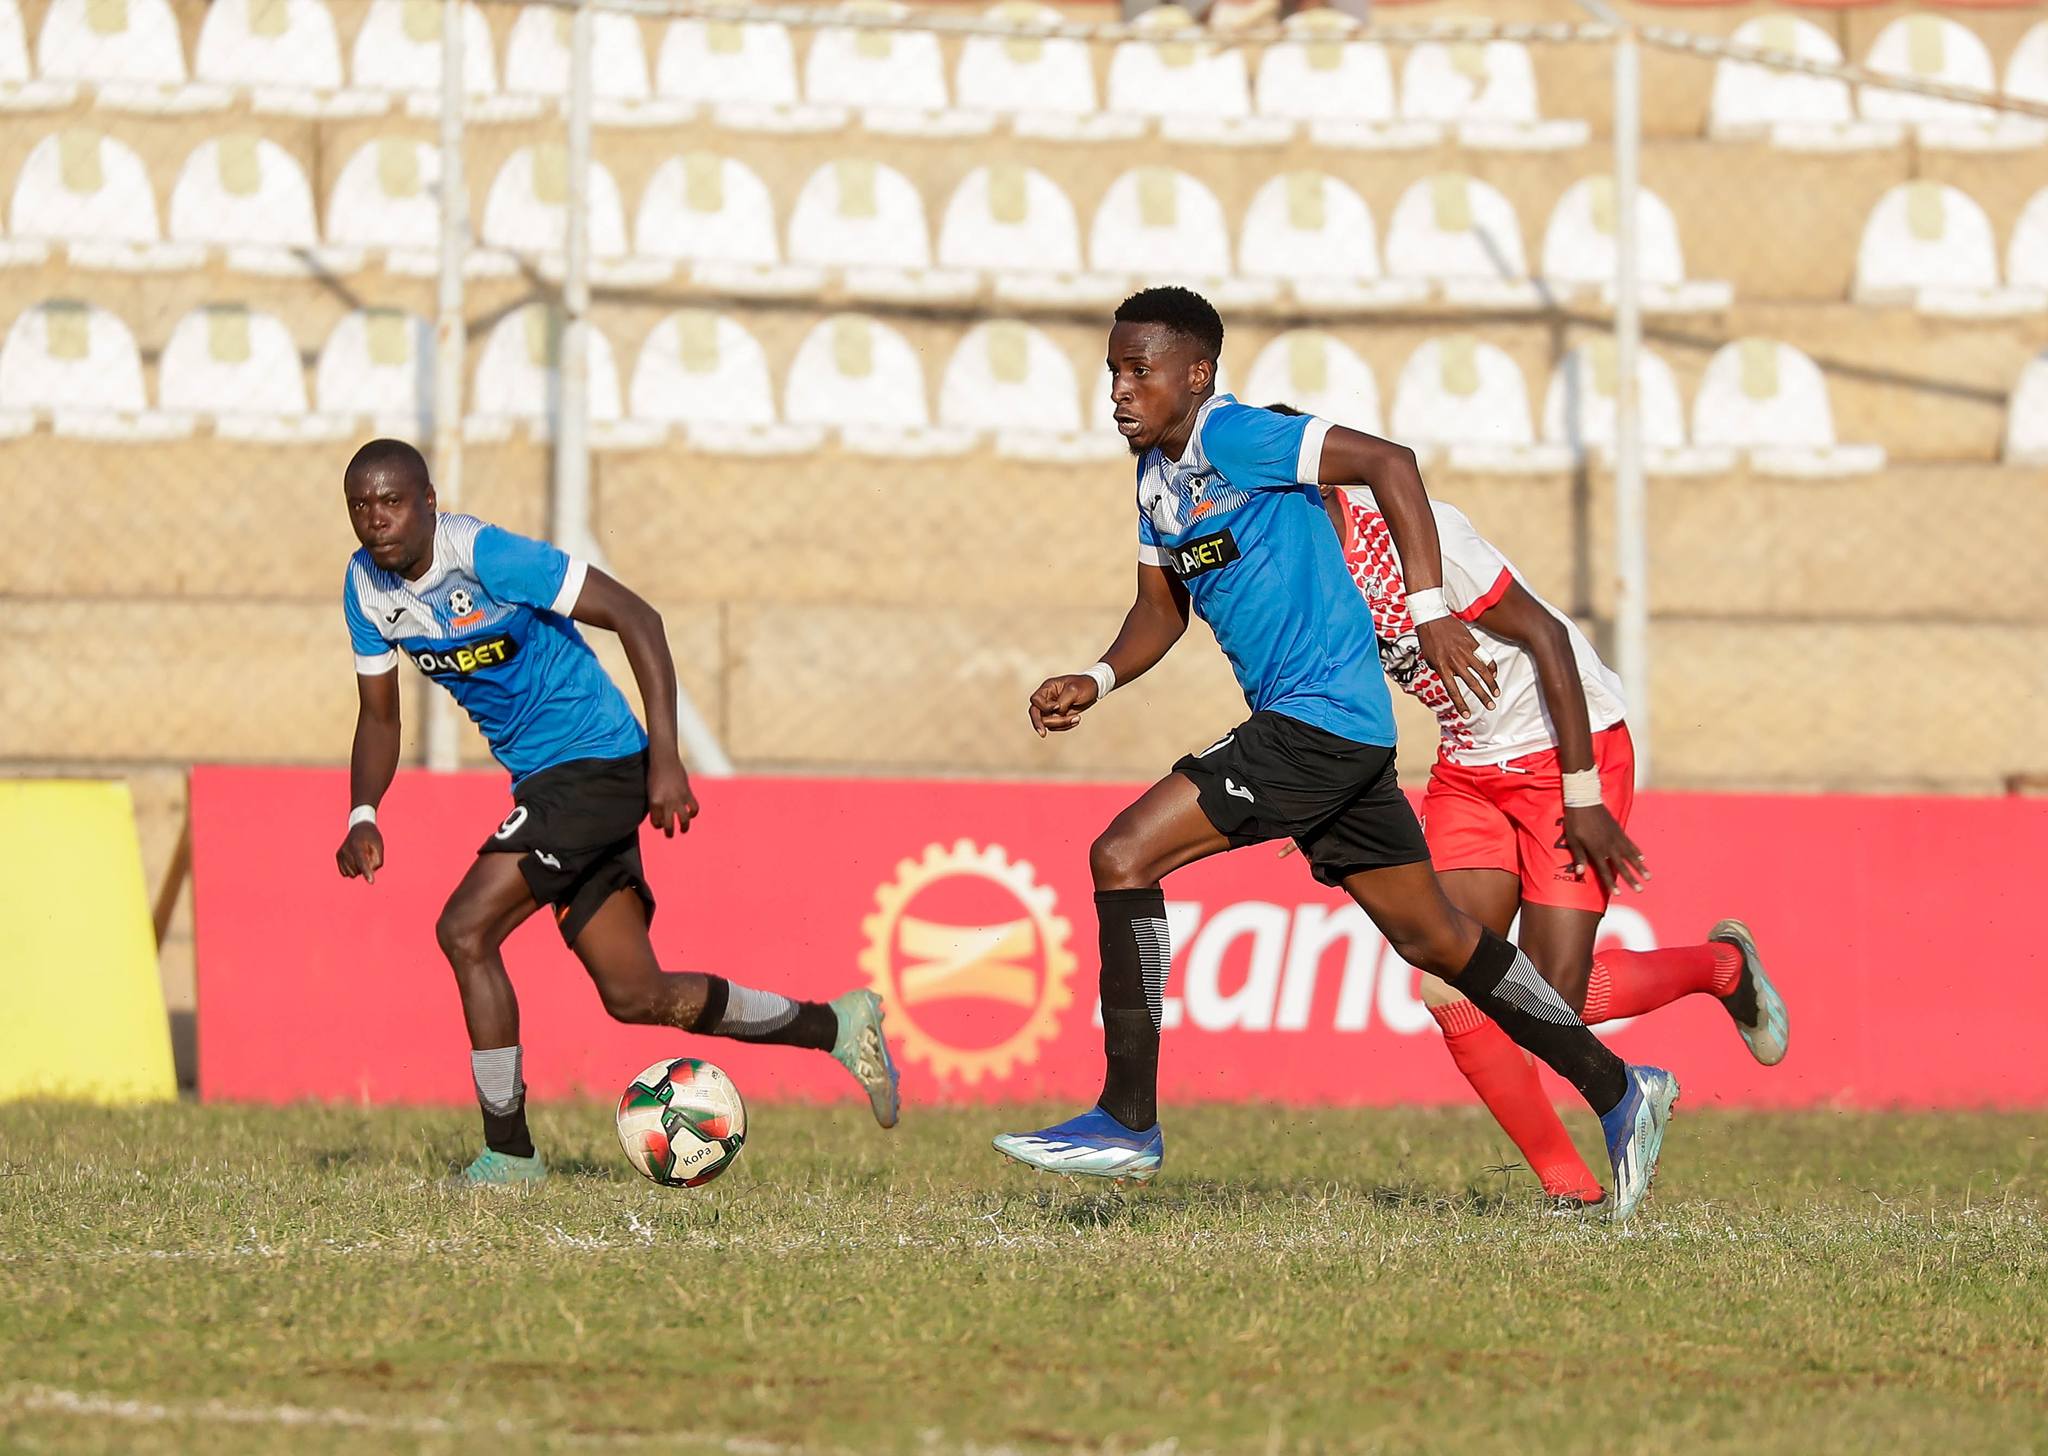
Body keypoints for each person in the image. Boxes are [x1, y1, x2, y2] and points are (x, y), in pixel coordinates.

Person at [991, 289, 1679, 1220]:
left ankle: (1128, 1117)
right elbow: (1162, 609)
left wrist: (1431, 612)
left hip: (1314, 726)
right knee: (1437, 940)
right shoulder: (1154, 479)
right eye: (1112, 370)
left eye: (1138, 369)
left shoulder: (1236, 437)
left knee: (1122, 856)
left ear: (1196, 374)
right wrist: (1099, 678)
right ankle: (1620, 1089)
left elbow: (1391, 463)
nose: (1119, 389)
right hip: (1344, 738)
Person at [333, 439, 898, 1185]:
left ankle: (508, 1152)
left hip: (597, 766)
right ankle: (837, 1024)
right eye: (361, 506)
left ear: (430, 500)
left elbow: (638, 616)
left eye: (393, 501)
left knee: (464, 930)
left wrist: (664, 759)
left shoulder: (487, 557)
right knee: (638, 994)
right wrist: (362, 812)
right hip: (546, 786)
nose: (377, 520)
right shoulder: (366, 589)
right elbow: (380, 719)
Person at [1311, 455, 1789, 1208]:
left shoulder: (1425, 540)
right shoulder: (1305, 578)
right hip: (1468, 766)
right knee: (1452, 980)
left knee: (1551, 997)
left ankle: (1721, 968)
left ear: (1325, 492)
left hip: (1569, 750)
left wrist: (1582, 794)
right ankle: (1570, 1191)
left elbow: (1547, 639)